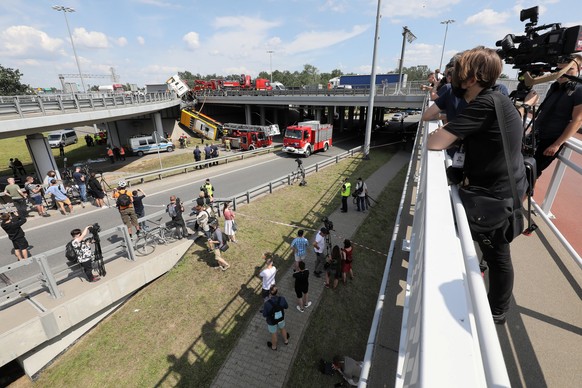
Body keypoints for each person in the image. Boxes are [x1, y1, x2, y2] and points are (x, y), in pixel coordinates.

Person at [426, 46, 528, 325]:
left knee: (498, 255)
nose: (453, 78)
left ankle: (496, 312)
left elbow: (434, 142)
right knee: (495, 253)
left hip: (496, 195)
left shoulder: (484, 104)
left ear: (472, 79)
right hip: (505, 187)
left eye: (458, 73)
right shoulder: (494, 99)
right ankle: (496, 305)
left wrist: (445, 134)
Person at [532, 54, 582, 177]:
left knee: (532, 172)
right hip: (536, 135)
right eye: (560, 69)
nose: (563, 72)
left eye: (569, 69)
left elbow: (577, 120)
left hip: (550, 140)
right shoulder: (554, 87)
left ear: (579, 70)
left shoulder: (579, 90)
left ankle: (523, 196)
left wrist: (556, 144)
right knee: (521, 168)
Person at [262, 285, 289, 351]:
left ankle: (274, 346)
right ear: (277, 292)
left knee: (274, 333)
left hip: (271, 321)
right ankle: (286, 341)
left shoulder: (267, 303)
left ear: (269, 293)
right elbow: (286, 306)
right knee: (283, 328)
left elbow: (264, 314)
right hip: (281, 318)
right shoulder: (282, 299)